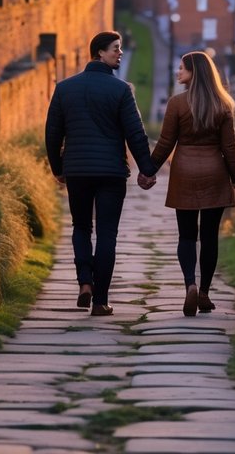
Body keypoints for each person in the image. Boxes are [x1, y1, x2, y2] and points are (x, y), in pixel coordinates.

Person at [45, 31, 157, 316]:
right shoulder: (120, 90)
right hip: (111, 173)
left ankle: (85, 282)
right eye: (115, 49)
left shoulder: (64, 88)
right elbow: (135, 133)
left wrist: (58, 169)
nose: (120, 53)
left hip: (78, 171)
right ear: (99, 53)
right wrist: (147, 169)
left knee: (81, 227)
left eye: (120, 49)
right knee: (107, 233)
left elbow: (53, 134)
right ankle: (100, 301)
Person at [139, 50, 235, 317]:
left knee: (187, 236)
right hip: (214, 174)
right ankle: (205, 292)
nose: (177, 72)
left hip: (184, 172)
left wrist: (147, 170)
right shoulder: (223, 105)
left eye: (182, 68)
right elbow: (230, 149)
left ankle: (190, 285)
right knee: (209, 238)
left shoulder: (177, 104)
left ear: (194, 72)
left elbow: (165, 144)